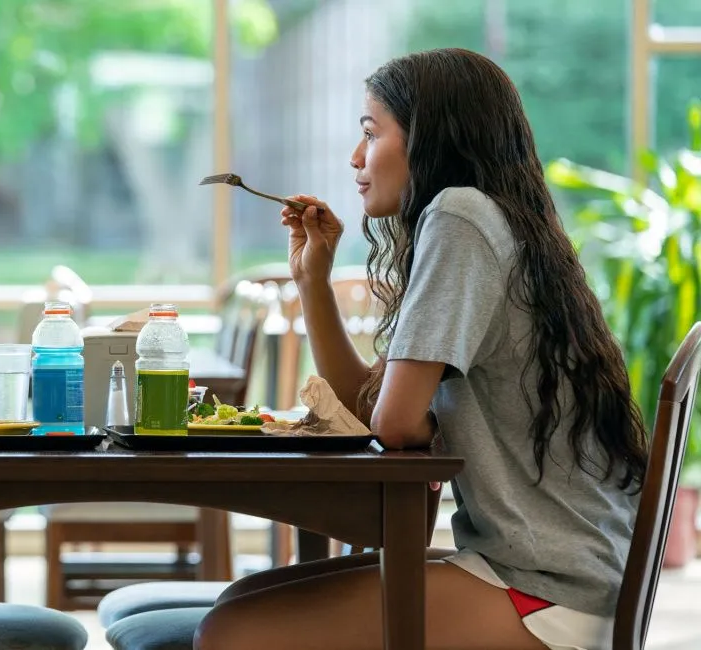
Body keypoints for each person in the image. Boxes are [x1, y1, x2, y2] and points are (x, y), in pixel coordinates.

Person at [195, 48, 647, 650]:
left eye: (370, 132)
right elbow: (369, 410)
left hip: (550, 590)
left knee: (231, 632)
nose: (356, 158)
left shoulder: (460, 217)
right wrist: (313, 283)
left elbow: (397, 422)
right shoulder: (489, 219)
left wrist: (395, 414)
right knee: (237, 602)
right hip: (558, 573)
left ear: (430, 138)